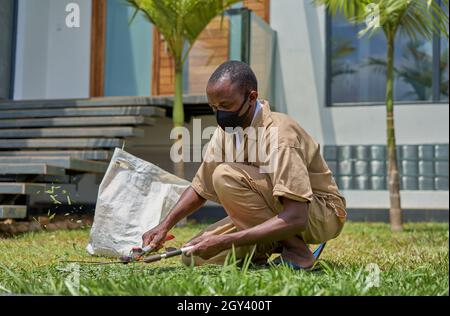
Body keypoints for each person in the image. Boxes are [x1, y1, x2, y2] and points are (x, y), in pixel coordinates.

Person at [142, 60, 347, 270]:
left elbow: (297, 216)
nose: (219, 114)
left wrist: (225, 241)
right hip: (275, 210)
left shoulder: (280, 134)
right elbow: (200, 188)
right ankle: (264, 248)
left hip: (320, 213)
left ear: (252, 97)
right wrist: (164, 226)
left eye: (225, 106)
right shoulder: (228, 130)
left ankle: (298, 253)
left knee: (225, 176)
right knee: (192, 256)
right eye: (213, 107)